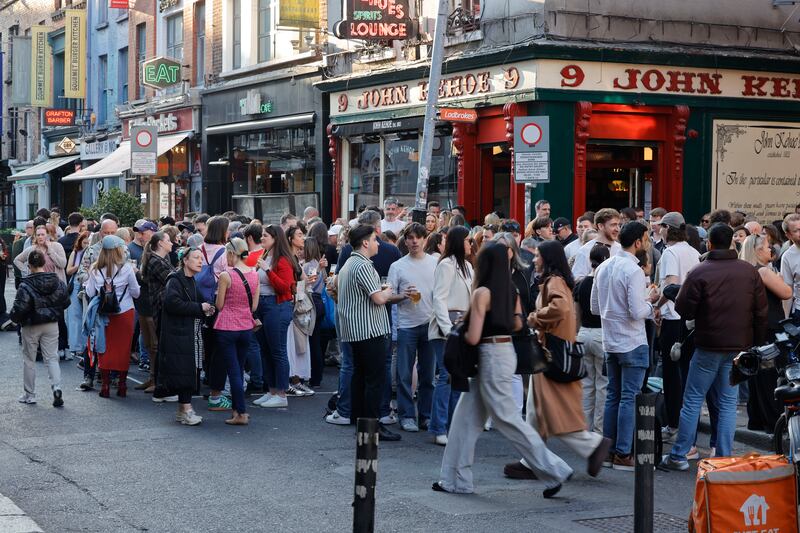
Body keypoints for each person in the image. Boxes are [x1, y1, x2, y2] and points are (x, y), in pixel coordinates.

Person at [433, 242, 573, 497]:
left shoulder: (481, 293)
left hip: (489, 354)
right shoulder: (511, 290)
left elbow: (473, 337)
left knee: (506, 419)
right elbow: (519, 324)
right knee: (465, 419)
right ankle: (453, 479)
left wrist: (462, 324)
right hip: (505, 352)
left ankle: (555, 469)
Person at [661, 224, 768, 470]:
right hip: (738, 345)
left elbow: (683, 309)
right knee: (728, 403)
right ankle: (724, 456)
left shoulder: (700, 271)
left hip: (708, 343)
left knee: (693, 400)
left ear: (708, 243)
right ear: (732, 242)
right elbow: (760, 311)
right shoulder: (748, 272)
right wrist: (755, 343)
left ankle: (679, 455)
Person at [505, 240, 611, 481]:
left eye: (538, 255)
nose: (533, 259)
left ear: (548, 258)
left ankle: (592, 445)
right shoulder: (555, 280)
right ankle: (531, 460)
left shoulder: (554, 281)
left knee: (550, 413)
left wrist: (534, 318)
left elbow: (561, 310)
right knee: (535, 411)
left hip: (550, 352)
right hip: (549, 350)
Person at [591, 222, 659, 471]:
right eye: (646, 239)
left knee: (613, 395)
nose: (648, 243)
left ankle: (609, 451)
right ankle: (622, 452)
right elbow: (637, 311)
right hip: (631, 340)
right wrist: (651, 302)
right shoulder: (633, 270)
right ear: (638, 242)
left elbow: (595, 308)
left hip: (611, 339)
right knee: (628, 397)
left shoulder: (604, 266)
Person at [336, 224, 400, 441]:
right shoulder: (362, 265)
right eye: (375, 239)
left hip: (357, 330)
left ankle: (362, 424)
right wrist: (389, 290)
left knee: (361, 378)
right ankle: (372, 427)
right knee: (374, 380)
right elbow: (379, 298)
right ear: (365, 242)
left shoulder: (349, 264)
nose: (378, 244)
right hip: (368, 331)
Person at [651, 212, 701, 444]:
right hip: (691, 319)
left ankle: (673, 424)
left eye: (661, 226)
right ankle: (686, 424)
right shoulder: (694, 252)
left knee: (672, 375)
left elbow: (671, 286)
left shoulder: (670, 253)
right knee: (688, 373)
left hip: (673, 318)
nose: (658, 229)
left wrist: (657, 306)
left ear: (668, 229)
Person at [387, 222, 438, 433]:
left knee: (428, 376)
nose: (414, 241)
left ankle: (425, 416)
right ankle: (407, 415)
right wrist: (402, 296)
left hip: (430, 324)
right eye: (410, 237)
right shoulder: (397, 266)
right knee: (404, 375)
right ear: (405, 240)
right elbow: (388, 296)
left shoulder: (435, 263)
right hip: (406, 325)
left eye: (418, 237)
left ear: (426, 239)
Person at [740, 234, 791, 433]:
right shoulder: (763, 271)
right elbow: (787, 292)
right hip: (770, 326)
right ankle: (774, 421)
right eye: (768, 246)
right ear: (758, 250)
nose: (772, 250)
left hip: (755, 327)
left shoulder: (745, 271)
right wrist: (778, 278)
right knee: (771, 374)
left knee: (757, 374)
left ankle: (757, 419)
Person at [158, 248, 215, 426]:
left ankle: (183, 410)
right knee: (185, 371)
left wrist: (206, 308)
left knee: (188, 371)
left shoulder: (190, 280)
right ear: (185, 261)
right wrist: (200, 308)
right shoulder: (175, 280)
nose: (200, 261)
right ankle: (187, 409)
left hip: (187, 333)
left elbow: (195, 302)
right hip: (178, 334)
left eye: (201, 258)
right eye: (196, 258)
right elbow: (172, 303)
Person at [427, 225, 473, 445]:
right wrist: (448, 330)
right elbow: (439, 299)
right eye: (467, 240)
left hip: (461, 327)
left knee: (458, 377)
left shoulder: (468, 267)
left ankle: (453, 426)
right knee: (446, 376)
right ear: (458, 242)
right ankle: (439, 427)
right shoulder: (446, 264)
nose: (471, 244)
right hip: (446, 328)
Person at [11, 250, 70, 407]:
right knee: (52, 357)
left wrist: (15, 319)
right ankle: (56, 387)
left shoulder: (26, 284)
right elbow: (65, 301)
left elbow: (20, 307)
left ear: (29, 265)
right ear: (44, 263)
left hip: (31, 324)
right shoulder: (57, 281)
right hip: (51, 323)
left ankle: (30, 394)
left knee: (29, 359)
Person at [85, 235, 141, 399]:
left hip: (104, 314)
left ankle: (105, 386)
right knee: (123, 350)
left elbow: (89, 292)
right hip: (125, 312)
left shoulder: (95, 269)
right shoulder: (127, 268)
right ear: (118, 250)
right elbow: (136, 292)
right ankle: (122, 385)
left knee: (104, 348)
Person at [253, 224, 300, 409]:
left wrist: (267, 270)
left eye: (265, 235)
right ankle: (271, 390)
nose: (262, 238)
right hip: (265, 306)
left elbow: (284, 287)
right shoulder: (265, 256)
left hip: (277, 306)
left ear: (275, 238)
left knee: (277, 351)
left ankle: (281, 393)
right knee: (265, 349)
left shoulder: (281, 260)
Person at [213, 238, 259, 426]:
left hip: (227, 327)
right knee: (239, 369)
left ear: (232, 253)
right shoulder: (255, 274)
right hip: (246, 326)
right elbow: (254, 306)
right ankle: (237, 411)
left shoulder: (226, 275)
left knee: (233, 372)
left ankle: (240, 412)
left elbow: (220, 305)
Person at [574, 244, 610, 433]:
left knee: (586, 385)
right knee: (603, 385)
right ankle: (599, 429)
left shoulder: (581, 283)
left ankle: (584, 429)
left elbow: (576, 312)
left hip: (583, 334)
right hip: (601, 335)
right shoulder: (604, 281)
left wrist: (576, 332)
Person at [200, 215, 234, 412]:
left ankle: (208, 380)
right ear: (222, 231)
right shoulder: (224, 252)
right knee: (219, 349)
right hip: (218, 301)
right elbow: (230, 277)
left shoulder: (200, 249)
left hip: (201, 301)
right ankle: (216, 392)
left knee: (208, 346)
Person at [141, 232, 175, 398]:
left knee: (160, 345)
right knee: (161, 346)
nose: (172, 243)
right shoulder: (156, 261)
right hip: (161, 307)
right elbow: (173, 281)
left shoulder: (161, 259)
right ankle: (161, 385)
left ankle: (160, 383)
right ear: (161, 243)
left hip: (161, 306)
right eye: (169, 240)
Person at [572, 208, 622, 281]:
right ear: (600, 226)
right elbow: (577, 279)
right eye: (613, 225)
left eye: (618, 225)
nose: (617, 229)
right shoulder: (585, 250)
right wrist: (594, 276)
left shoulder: (621, 249)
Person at [65, 232, 90, 361]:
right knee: (74, 315)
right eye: (84, 242)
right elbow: (68, 270)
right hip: (76, 284)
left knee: (85, 316)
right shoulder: (76, 253)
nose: (86, 245)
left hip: (87, 284)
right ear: (80, 242)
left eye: (88, 242)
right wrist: (78, 266)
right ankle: (76, 346)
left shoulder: (93, 253)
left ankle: (85, 346)